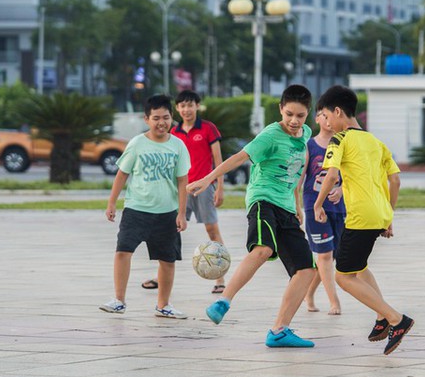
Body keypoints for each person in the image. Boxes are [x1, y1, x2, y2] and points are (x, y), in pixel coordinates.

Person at [187, 84, 318, 348]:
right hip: (263, 200)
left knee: (306, 269)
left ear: (308, 115)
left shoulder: (306, 134)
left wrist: (297, 204)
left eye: (300, 115)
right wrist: (209, 178)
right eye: (289, 114)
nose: (294, 121)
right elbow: (239, 157)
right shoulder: (270, 134)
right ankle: (224, 301)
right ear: (281, 109)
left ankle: (279, 331)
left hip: (286, 207)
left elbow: (296, 171)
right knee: (263, 248)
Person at [313, 85, 413, 356]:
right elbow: (395, 181)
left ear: (337, 112)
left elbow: (332, 176)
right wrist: (388, 215)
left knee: (344, 277)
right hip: (378, 213)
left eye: (325, 116)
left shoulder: (339, 140)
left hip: (359, 216)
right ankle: (382, 318)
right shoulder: (376, 142)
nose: (326, 123)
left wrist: (318, 203)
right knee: (360, 267)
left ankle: (395, 319)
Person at [100, 95, 191, 319]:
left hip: (167, 213)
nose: (162, 122)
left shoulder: (178, 145)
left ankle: (163, 305)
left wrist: (181, 213)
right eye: (156, 118)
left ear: (172, 118)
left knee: (168, 260)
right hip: (136, 210)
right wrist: (112, 203)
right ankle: (119, 300)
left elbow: (182, 181)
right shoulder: (137, 143)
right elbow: (122, 174)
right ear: (147, 119)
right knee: (123, 251)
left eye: (166, 118)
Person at [141, 90, 228, 294]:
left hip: (204, 187)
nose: (186, 109)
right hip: (179, 189)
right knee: (169, 230)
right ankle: (159, 276)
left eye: (190, 105)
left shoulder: (208, 129)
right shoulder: (174, 132)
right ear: (177, 109)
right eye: (182, 106)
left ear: (197, 106)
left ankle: (220, 278)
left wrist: (220, 188)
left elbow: (218, 160)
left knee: (212, 230)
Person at [301, 109, 345, 316]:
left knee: (330, 255)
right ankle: (334, 302)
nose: (328, 120)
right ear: (317, 119)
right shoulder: (309, 145)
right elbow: (299, 180)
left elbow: (352, 176)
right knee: (324, 254)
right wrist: (296, 207)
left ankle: (308, 293)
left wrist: (341, 189)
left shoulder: (343, 143)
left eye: (330, 116)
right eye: (323, 116)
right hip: (314, 205)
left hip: (339, 206)